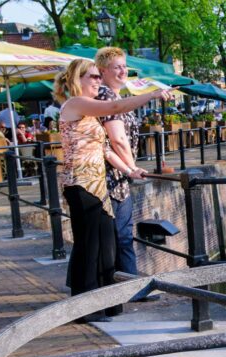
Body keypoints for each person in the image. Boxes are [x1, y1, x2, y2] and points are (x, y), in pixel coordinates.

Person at [53, 58, 171, 322]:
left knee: (107, 245)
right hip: (81, 184)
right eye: (92, 77)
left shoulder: (89, 112)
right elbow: (116, 106)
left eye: (98, 76)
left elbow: (105, 150)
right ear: (77, 79)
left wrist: (130, 170)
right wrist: (152, 94)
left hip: (97, 185)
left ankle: (106, 303)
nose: (97, 81)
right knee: (89, 244)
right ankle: (84, 308)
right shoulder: (75, 104)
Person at [94, 47, 147, 279]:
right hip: (113, 176)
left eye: (124, 66)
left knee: (121, 234)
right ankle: (128, 286)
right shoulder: (105, 96)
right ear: (103, 70)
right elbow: (117, 139)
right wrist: (132, 168)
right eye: (117, 67)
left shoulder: (115, 97)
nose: (123, 71)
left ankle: (128, 284)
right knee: (121, 235)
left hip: (119, 173)